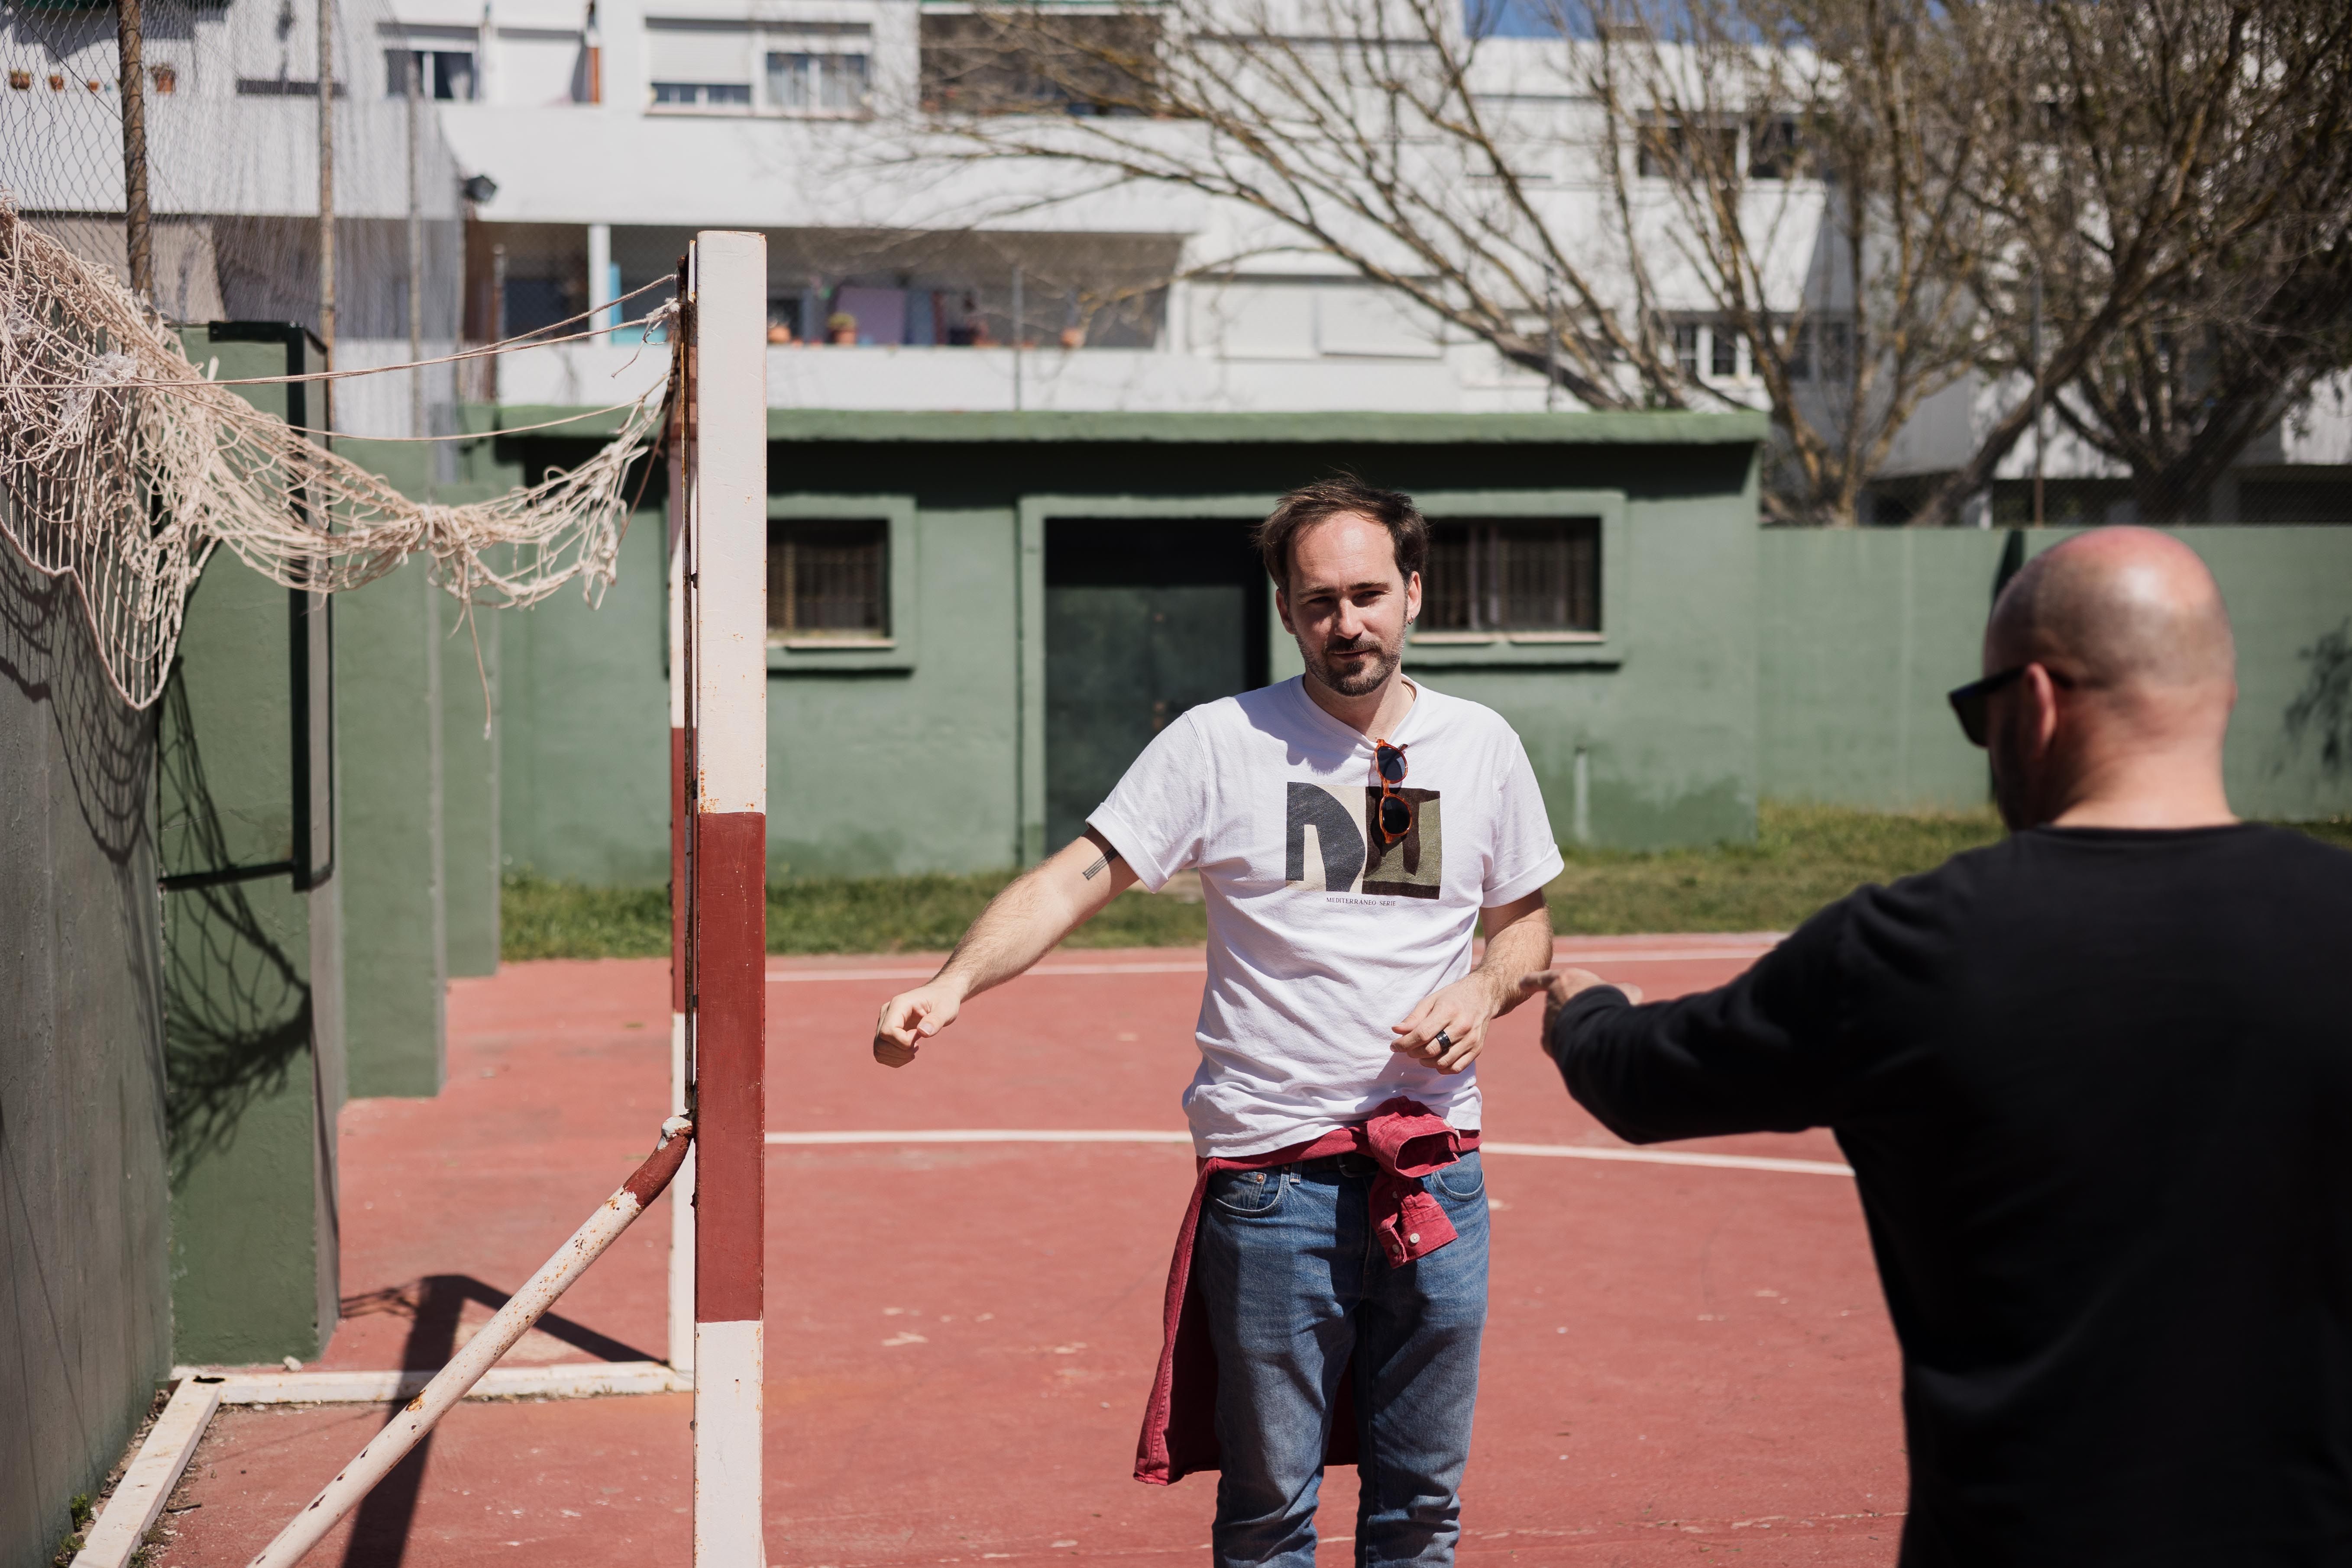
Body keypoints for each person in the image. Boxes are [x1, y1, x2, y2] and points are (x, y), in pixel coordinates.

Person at [1532, 527, 2352, 1565]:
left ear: (2038, 701)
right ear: (2221, 694)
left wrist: (1587, 1008)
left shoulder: (1910, 949)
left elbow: (1644, 1081)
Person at [874, 478, 1563, 1567]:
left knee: (1422, 1509)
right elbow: (1075, 878)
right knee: (1268, 1510)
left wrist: (1480, 990)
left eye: (1370, 593)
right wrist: (951, 983)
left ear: (1415, 592)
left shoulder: (1481, 745)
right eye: (1320, 600)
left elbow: (1526, 933)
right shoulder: (1217, 744)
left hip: (1437, 1171)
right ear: (1286, 611)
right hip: (1272, 1178)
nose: (1349, 622)